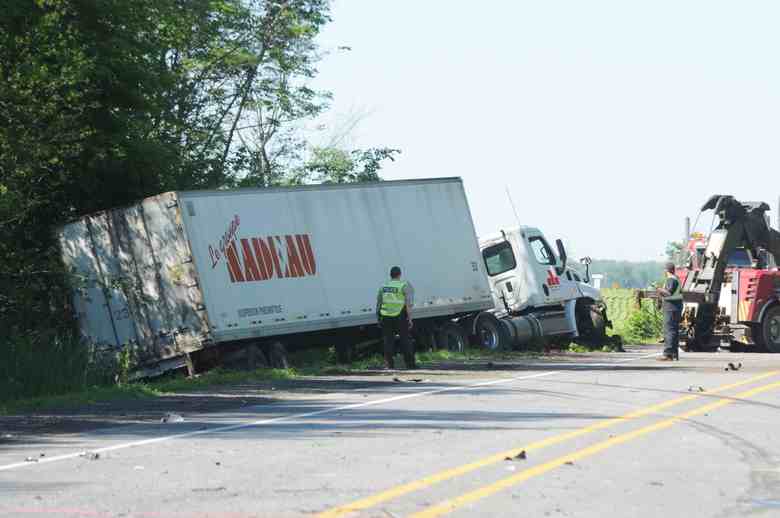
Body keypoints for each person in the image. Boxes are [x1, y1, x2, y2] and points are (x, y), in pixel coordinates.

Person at [376, 266, 415, 369]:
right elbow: (408, 304)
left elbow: (379, 304)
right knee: (405, 340)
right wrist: (410, 319)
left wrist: (378, 318)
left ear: (390, 275)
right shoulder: (404, 285)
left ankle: (389, 364)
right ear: (399, 274)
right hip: (399, 316)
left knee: (388, 341)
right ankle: (410, 364)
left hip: (385, 316)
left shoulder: (383, 286)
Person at [657, 261, 682, 361]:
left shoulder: (671, 279)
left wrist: (658, 289)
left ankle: (668, 354)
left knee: (669, 330)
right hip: (676, 306)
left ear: (666, 270)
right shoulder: (676, 279)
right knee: (674, 330)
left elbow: (668, 293)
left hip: (671, 307)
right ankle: (674, 354)